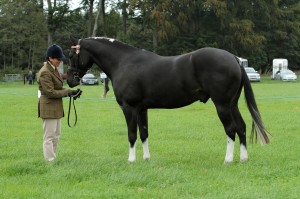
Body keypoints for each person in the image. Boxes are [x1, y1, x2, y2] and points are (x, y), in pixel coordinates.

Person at [37, 44, 82, 162]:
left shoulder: (54, 70)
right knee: (49, 137)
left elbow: (60, 84)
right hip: (48, 108)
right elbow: (50, 92)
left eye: (61, 59)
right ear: (50, 58)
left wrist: (72, 92)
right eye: (58, 59)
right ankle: (50, 161)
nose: (60, 61)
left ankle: (53, 158)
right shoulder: (45, 72)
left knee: (56, 136)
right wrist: (68, 92)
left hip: (56, 107)